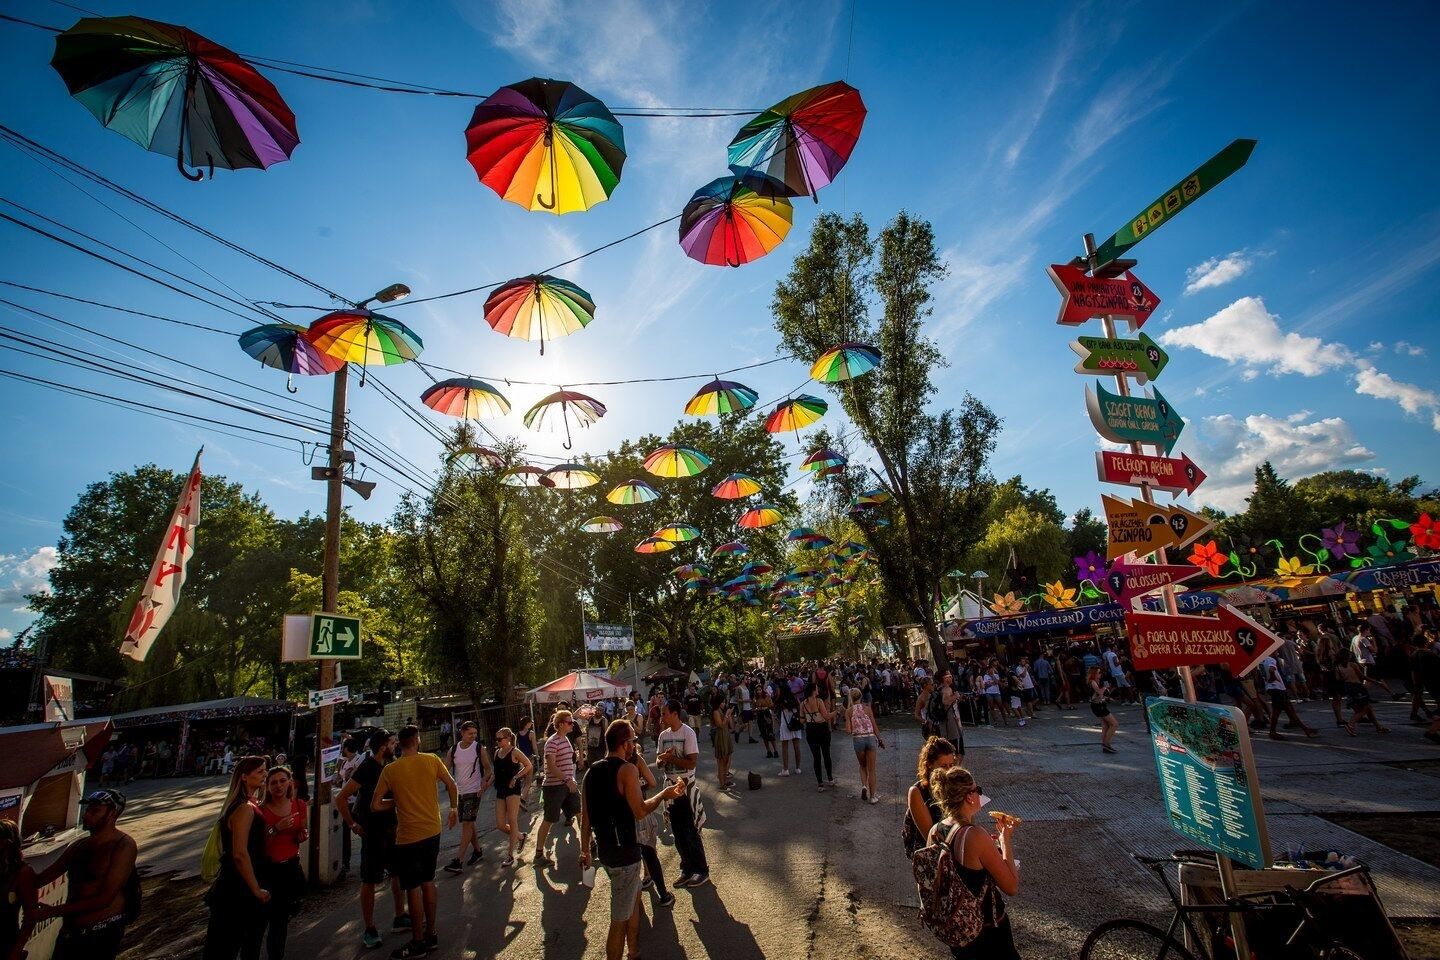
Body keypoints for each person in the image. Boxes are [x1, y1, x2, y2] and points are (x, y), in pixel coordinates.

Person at [580, 720, 688, 960]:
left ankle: (634, 951)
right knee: (619, 918)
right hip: (624, 854)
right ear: (624, 743)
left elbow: (585, 817)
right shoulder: (627, 770)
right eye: (632, 741)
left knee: (635, 897)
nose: (634, 745)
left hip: (607, 853)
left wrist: (584, 850)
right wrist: (664, 794)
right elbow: (640, 810)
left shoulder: (591, 771)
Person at [370, 725, 459, 959]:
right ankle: (431, 934)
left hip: (408, 835)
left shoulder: (391, 770)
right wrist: (454, 808)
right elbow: (451, 784)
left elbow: (375, 804)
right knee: (429, 881)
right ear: (417, 740)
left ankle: (417, 941)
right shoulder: (431, 760)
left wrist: (397, 802)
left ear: (399, 744)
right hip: (432, 829)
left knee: (412, 887)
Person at [927, 766, 1021, 960]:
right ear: (969, 797)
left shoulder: (935, 831)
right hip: (987, 930)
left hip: (957, 928)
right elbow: (1011, 886)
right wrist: (1005, 841)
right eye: (978, 790)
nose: (980, 795)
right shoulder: (975, 835)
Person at [335, 728, 410, 950]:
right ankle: (369, 928)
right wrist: (353, 824)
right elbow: (341, 797)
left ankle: (400, 916)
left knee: (397, 873)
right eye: (392, 742)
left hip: (391, 827)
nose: (395, 745)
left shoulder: (390, 764)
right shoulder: (367, 767)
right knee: (369, 879)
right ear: (382, 746)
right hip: (372, 830)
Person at [201, 758, 270, 960]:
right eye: (259, 772)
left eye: (264, 770)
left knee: (243, 942)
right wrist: (255, 888)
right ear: (244, 777)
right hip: (237, 886)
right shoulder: (244, 809)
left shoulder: (249, 804)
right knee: (225, 946)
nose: (264, 775)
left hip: (242, 882)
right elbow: (239, 853)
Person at [656, 699, 709, 888]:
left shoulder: (688, 733)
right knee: (677, 832)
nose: (662, 717)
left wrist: (672, 758)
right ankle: (686, 868)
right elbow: (659, 762)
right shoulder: (663, 735)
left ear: (675, 714)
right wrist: (663, 760)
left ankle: (701, 870)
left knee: (691, 831)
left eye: (664, 713)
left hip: (686, 788)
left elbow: (691, 763)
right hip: (670, 790)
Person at [256, 766, 307, 960]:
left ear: (289, 782)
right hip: (267, 870)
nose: (278, 785)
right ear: (267, 787)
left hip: (290, 868)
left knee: (280, 921)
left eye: (282, 781)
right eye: (273, 782)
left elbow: (302, 831)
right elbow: (258, 844)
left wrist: (302, 835)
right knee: (259, 922)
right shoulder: (260, 810)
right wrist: (275, 828)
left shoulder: (299, 805)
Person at [534, 710, 581, 866]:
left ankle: (590, 845)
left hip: (568, 784)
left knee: (581, 811)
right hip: (554, 787)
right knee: (549, 819)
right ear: (561, 724)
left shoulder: (566, 739)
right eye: (569, 722)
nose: (572, 724)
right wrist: (567, 779)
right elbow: (551, 766)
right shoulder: (552, 742)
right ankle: (539, 854)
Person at [444, 721, 491, 874]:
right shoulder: (454, 749)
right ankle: (477, 851)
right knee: (468, 823)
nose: (473, 736)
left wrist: (484, 783)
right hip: (459, 792)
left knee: (467, 824)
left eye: (475, 733)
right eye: (470, 733)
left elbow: (488, 769)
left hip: (474, 790)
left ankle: (458, 861)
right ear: (462, 733)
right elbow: (445, 770)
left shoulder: (479, 748)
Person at [904, 736, 957, 858]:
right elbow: (929, 836)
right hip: (930, 855)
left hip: (953, 847)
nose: (949, 771)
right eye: (943, 766)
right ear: (929, 765)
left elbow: (968, 823)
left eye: (951, 765)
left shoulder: (954, 786)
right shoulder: (917, 792)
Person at [491, 727, 533, 867]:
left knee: (512, 820)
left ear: (508, 739)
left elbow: (528, 765)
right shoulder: (497, 752)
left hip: (512, 790)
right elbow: (495, 773)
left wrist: (516, 777)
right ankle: (520, 836)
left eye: (500, 739)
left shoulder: (514, 751)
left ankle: (510, 855)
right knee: (500, 824)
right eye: (496, 739)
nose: (497, 741)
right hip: (500, 789)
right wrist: (484, 786)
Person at [1, 819, 38, 960]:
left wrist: (17, 951)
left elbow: (30, 916)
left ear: (5, 843)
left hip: (6, 945)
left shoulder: (22, 873)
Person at [1262, 654, 1318, 740]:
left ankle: (1305, 729)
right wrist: (1273, 678)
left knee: (1288, 709)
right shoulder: (1270, 659)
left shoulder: (1260, 661)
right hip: (1277, 687)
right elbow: (1271, 670)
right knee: (1280, 710)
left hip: (1271, 687)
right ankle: (1272, 732)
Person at [844, 688, 884, 804]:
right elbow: (874, 725)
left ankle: (864, 786)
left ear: (850, 698)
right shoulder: (867, 709)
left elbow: (848, 730)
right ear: (861, 697)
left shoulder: (849, 711)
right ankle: (872, 797)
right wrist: (880, 739)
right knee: (872, 769)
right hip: (870, 737)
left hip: (858, 740)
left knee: (862, 766)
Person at [1337, 652, 1390, 737]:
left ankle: (1378, 727)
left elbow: (1339, 679)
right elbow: (1362, 676)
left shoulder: (1338, 667)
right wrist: (1375, 681)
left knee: (1367, 707)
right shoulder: (1352, 665)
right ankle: (1351, 724)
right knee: (1364, 709)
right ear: (1348, 657)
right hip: (1357, 687)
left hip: (1348, 687)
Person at [801, 682, 835, 791]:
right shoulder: (819, 701)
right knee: (826, 754)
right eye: (816, 688)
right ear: (813, 690)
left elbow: (801, 720)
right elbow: (826, 716)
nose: (818, 690)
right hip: (822, 729)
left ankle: (820, 783)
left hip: (810, 730)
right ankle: (830, 778)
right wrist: (836, 712)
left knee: (816, 757)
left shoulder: (803, 704)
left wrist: (809, 718)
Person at [1088, 666, 1118, 754]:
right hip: (1098, 706)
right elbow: (1099, 693)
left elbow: (1097, 696)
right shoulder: (1093, 682)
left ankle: (1105, 745)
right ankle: (1106, 744)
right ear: (1094, 674)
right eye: (1099, 672)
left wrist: (1107, 698)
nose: (1100, 674)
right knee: (1114, 724)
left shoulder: (1095, 682)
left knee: (1106, 725)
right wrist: (1105, 688)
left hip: (1098, 705)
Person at [776, 684, 804, 776]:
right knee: (796, 745)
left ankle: (785, 769)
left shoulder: (781, 700)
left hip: (786, 723)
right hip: (795, 721)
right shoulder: (794, 697)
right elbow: (800, 706)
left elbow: (774, 705)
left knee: (784, 746)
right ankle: (798, 768)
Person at [710, 692, 735, 790]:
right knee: (722, 761)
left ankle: (724, 780)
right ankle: (722, 784)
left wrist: (730, 716)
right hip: (720, 736)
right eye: (722, 702)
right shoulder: (716, 711)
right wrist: (727, 715)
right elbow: (720, 725)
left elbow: (731, 727)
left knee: (727, 759)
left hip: (726, 735)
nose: (724, 704)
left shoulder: (722, 710)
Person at [754, 683, 778, 759]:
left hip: (767, 715)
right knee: (764, 735)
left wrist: (765, 707)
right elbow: (753, 708)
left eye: (760, 690)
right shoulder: (755, 698)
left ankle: (775, 750)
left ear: (762, 690)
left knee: (770, 733)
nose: (758, 691)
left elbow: (771, 705)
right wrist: (756, 709)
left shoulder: (766, 696)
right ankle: (768, 751)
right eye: (757, 690)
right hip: (760, 716)